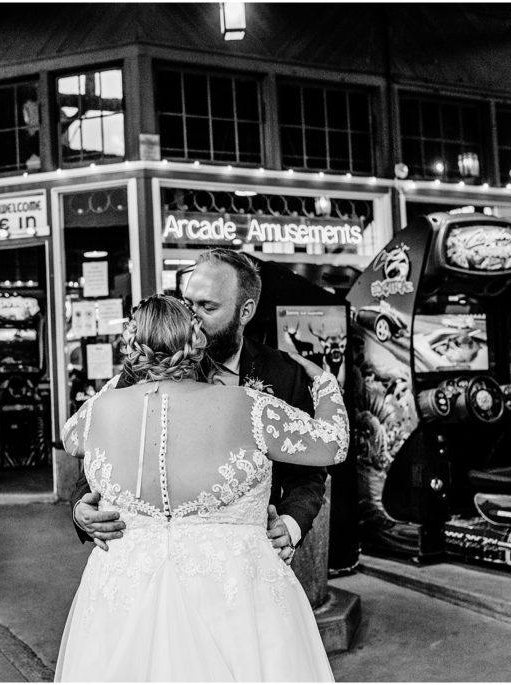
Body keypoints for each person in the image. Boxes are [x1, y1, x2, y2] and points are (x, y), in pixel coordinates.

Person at [56, 295, 348, 681]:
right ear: (198, 341)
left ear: (131, 345)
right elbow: (334, 443)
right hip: (235, 594)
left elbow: (70, 437)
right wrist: (323, 381)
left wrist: (129, 373)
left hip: (122, 594)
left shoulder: (93, 415)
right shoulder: (248, 407)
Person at [70, 248, 328, 563]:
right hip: (153, 563)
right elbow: (102, 445)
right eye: (188, 302)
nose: (192, 315)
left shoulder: (283, 373)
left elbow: (307, 473)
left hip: (241, 561)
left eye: (207, 306)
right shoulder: (149, 363)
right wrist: (80, 507)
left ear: (244, 311)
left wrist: (290, 525)